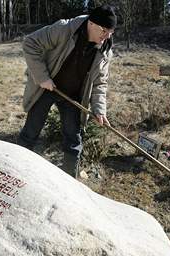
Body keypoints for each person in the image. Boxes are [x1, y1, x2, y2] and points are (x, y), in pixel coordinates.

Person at [18, 5, 116, 178]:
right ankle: (17, 170)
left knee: (73, 139)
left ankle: (70, 179)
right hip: (48, 86)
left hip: (73, 96)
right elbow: (30, 43)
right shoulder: (65, 29)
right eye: (104, 30)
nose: (107, 36)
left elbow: (101, 82)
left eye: (111, 32)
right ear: (91, 24)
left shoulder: (105, 50)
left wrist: (99, 109)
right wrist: (42, 77)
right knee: (31, 131)